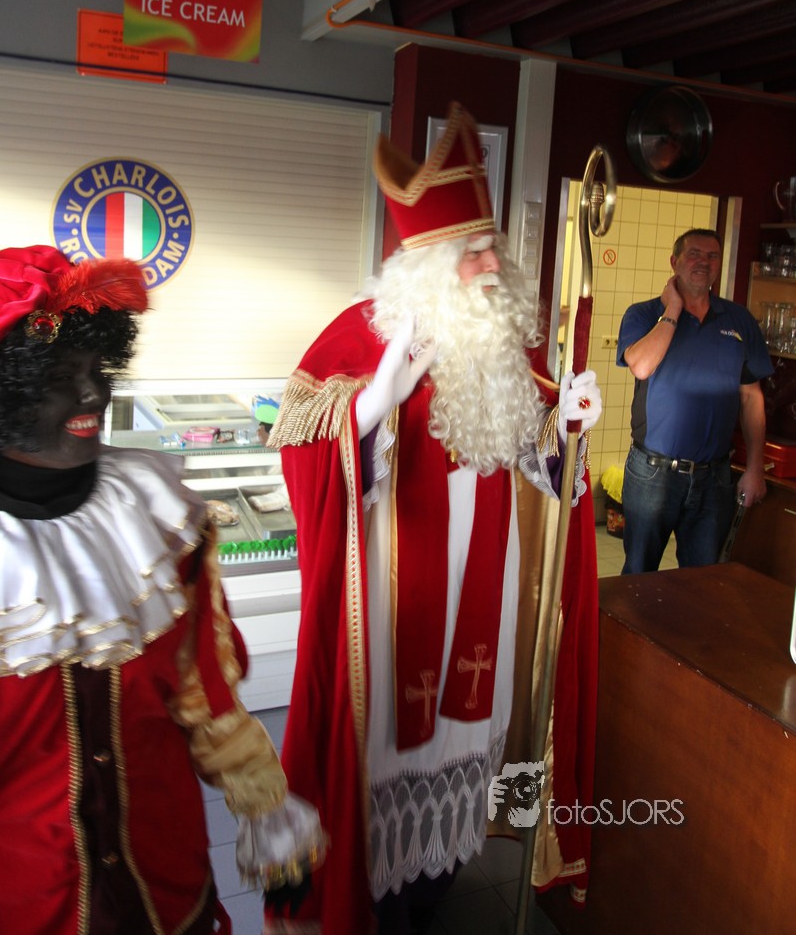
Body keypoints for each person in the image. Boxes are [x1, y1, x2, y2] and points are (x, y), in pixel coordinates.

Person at [264, 104, 602, 935]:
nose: (492, 264)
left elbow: (540, 466)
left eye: (491, 247)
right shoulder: (360, 334)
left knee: (465, 744)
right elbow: (307, 453)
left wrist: (567, 434)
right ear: (426, 267)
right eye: (473, 252)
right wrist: (370, 405)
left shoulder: (507, 340)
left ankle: (439, 878)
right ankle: (373, 891)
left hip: (484, 592)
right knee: (388, 749)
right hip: (394, 598)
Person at [0, 245, 325, 935]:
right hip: (15, 904)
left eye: (97, 369)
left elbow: (205, 691)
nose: (93, 394)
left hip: (165, 884)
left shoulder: (160, 521)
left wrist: (266, 810)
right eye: (59, 377)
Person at [617, 228, 773, 574]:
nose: (703, 262)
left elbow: (751, 397)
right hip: (653, 472)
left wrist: (754, 467)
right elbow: (641, 366)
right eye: (694, 254)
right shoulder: (644, 314)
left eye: (712, 256)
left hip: (714, 478)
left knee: (704, 580)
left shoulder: (739, 320)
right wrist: (673, 309)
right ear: (674, 262)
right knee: (638, 575)